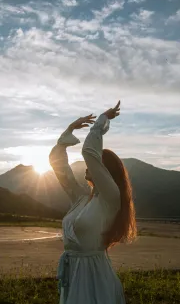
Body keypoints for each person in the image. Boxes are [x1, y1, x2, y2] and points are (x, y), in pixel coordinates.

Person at [49, 100, 137, 304]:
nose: (90, 165)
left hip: (94, 276)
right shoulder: (82, 198)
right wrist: (68, 133)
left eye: (98, 163)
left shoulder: (110, 197)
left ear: (105, 171)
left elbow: (89, 152)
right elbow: (60, 169)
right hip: (74, 274)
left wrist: (102, 121)